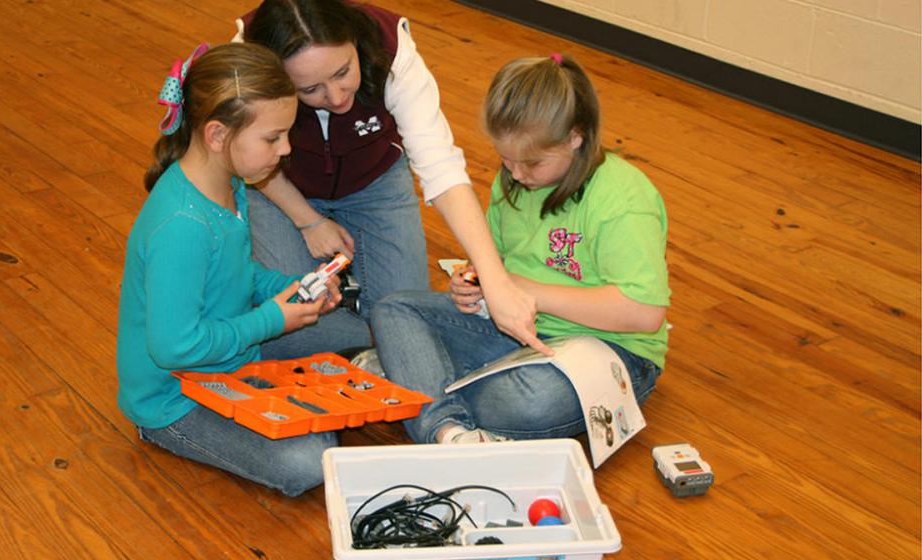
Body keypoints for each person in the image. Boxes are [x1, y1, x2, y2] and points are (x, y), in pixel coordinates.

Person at [371, 54, 670, 444]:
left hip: (612, 348)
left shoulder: (623, 200)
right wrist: (472, 281)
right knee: (393, 309)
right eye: (506, 159)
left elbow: (644, 313)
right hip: (513, 331)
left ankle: (418, 376)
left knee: (524, 404)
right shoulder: (512, 181)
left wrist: (519, 288)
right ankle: (450, 434)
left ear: (575, 138)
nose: (515, 174)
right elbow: (493, 260)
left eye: (531, 162)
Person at [117, 43, 365, 496]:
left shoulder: (230, 182)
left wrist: (292, 287)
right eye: (273, 138)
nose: (286, 149)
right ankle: (168, 432)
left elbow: (236, 274)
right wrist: (272, 318)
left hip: (233, 358)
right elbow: (175, 348)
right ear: (217, 135)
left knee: (356, 335)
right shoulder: (182, 227)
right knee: (308, 463)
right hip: (176, 398)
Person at [233, 0, 550, 355]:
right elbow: (244, 158)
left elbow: (440, 165)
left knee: (403, 307)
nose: (337, 98)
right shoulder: (246, 61)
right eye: (310, 90)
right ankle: (362, 330)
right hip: (279, 186)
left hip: (374, 181)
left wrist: (495, 280)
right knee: (296, 314)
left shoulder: (392, 48)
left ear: (354, 41)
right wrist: (307, 221)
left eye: (342, 72)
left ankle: (357, 325)